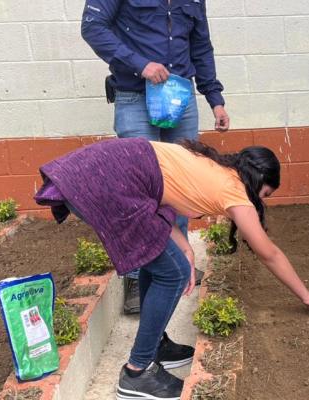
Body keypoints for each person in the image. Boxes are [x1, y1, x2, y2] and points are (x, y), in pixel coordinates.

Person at [35, 138, 309, 400]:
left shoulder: (214, 167)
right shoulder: (233, 190)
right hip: (105, 183)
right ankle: (137, 373)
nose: (261, 203)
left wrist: (186, 247)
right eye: (265, 195)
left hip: (97, 173)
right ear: (257, 182)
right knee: (174, 273)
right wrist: (306, 294)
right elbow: (268, 252)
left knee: (166, 264)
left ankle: (154, 347)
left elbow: (160, 195)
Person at [81, 0, 230, 313]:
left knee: (181, 185)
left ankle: (178, 265)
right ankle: (137, 278)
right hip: (135, 96)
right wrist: (140, 64)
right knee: (138, 191)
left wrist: (215, 99)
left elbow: (201, 45)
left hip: (180, 96)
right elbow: (92, 27)